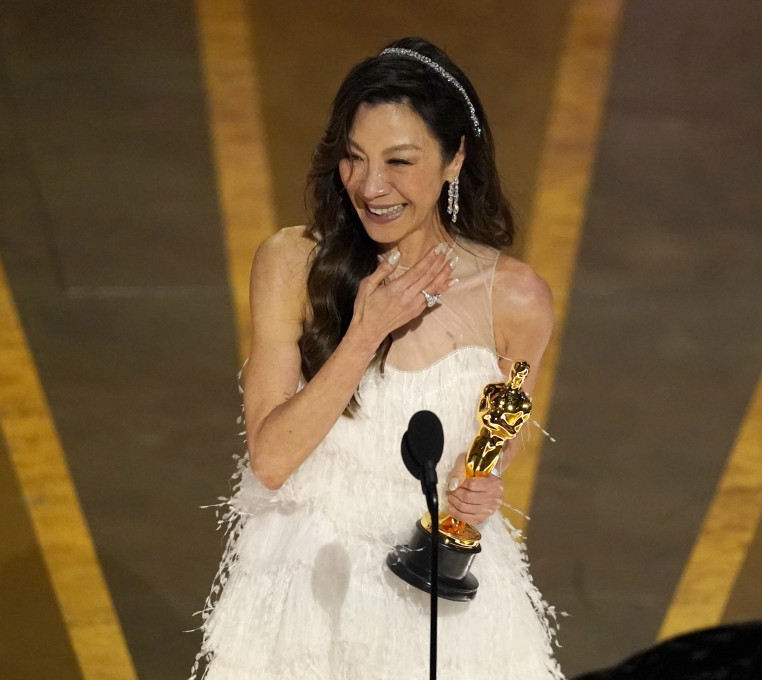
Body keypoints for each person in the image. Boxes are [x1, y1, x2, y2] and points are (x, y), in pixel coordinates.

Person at [191, 37, 562, 680]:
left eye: (399, 161)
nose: (371, 186)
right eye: (355, 159)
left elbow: (491, 450)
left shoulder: (518, 300)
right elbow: (272, 459)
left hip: (441, 606)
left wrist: (479, 493)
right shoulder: (290, 264)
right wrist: (365, 334)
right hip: (306, 589)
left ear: (454, 159)